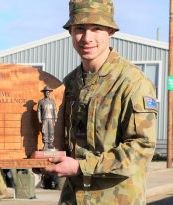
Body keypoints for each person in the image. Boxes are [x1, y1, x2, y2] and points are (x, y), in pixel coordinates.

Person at [41, 0, 158, 204]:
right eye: (80, 29)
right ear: (70, 32)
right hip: (73, 198)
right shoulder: (69, 84)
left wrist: (80, 167)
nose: (87, 38)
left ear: (111, 32)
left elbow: (141, 148)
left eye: (96, 29)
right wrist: (44, 160)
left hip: (115, 198)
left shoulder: (132, 82)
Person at [37, 86, 57, 150]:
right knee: (44, 131)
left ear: (49, 93)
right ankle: (45, 144)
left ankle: (50, 144)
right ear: (43, 93)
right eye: (45, 92)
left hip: (51, 118)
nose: (47, 93)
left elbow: (55, 110)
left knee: (51, 131)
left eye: (48, 92)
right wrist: (39, 118)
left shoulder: (52, 101)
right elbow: (39, 111)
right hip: (44, 118)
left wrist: (55, 118)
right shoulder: (41, 102)